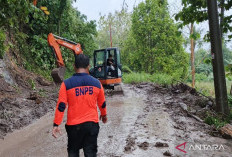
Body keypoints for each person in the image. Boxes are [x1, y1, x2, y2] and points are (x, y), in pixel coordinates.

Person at [52, 54, 107, 157]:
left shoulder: (66, 84)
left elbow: (61, 105)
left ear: (74, 66)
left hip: (74, 127)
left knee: (73, 152)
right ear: (88, 66)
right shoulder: (97, 83)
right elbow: (102, 103)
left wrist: (56, 124)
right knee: (90, 152)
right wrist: (104, 115)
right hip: (91, 125)